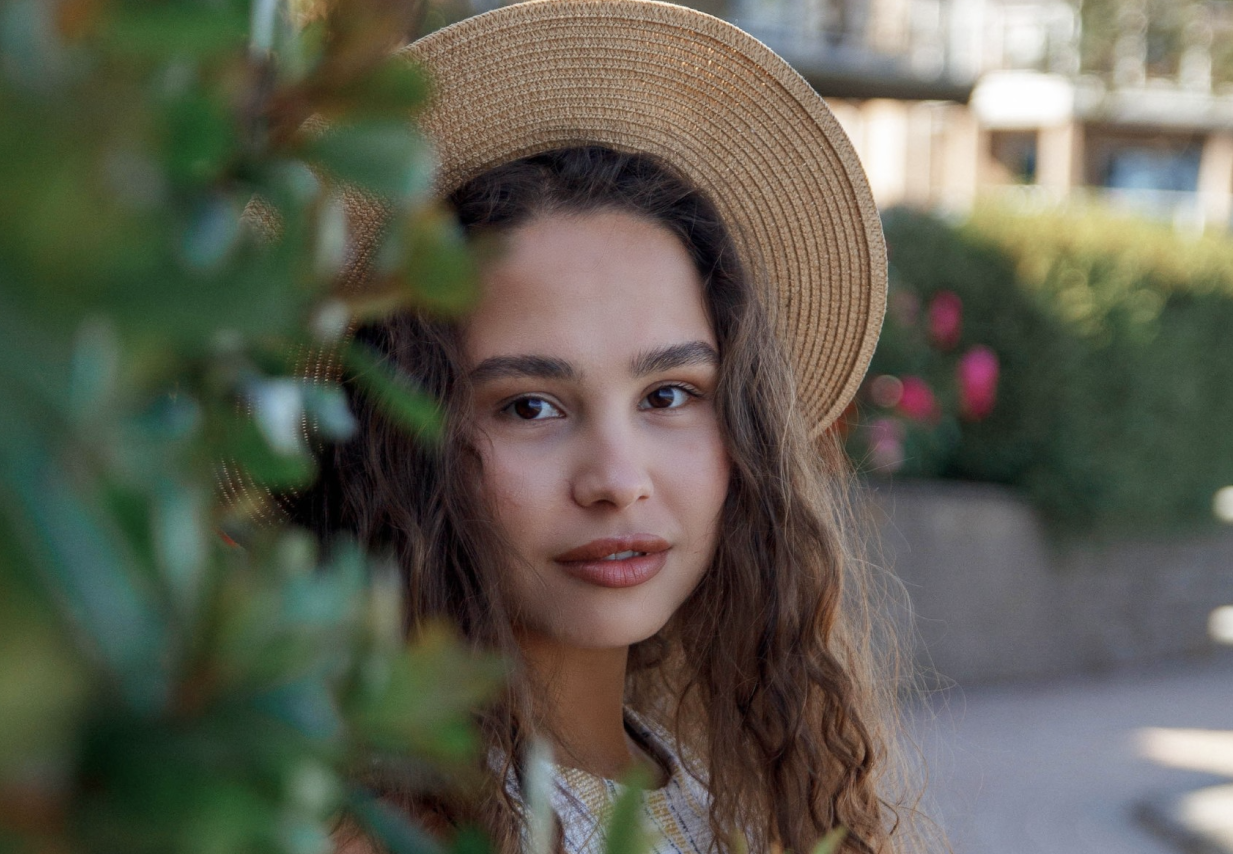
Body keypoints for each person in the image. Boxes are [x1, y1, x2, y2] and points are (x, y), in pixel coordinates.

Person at [277, 2, 925, 853]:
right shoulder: (375, 830)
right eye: (529, 406)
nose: (618, 478)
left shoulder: (733, 805)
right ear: (402, 443)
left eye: (669, 394)